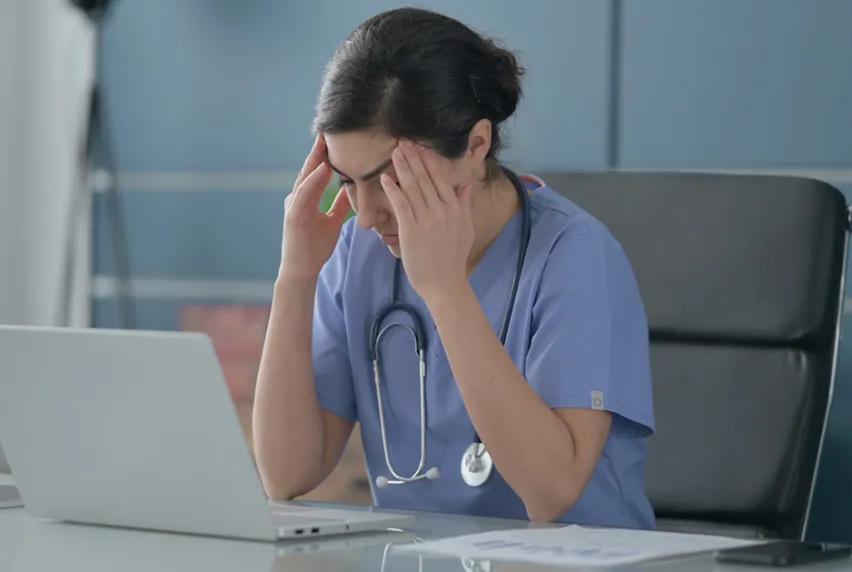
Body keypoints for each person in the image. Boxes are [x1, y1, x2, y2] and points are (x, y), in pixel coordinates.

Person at [251, 7, 656, 530]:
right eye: (347, 182)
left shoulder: (574, 256)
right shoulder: (358, 250)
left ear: (476, 145)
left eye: (390, 179)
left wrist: (444, 290)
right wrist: (296, 278)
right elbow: (285, 475)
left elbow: (553, 493)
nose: (367, 214)